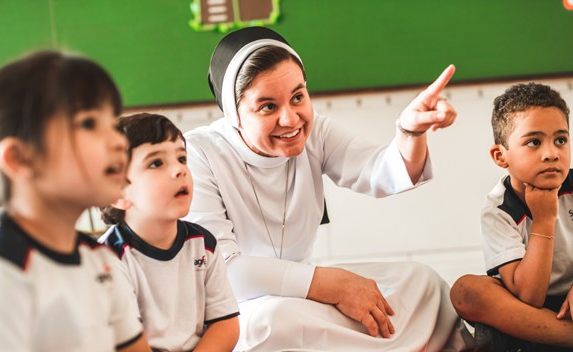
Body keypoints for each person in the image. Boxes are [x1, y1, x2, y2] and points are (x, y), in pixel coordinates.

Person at [184, 26, 472, 351]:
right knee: (269, 323)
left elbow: (379, 172)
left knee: (422, 283)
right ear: (235, 114)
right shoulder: (197, 154)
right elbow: (225, 271)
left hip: (302, 294)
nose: (291, 119)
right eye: (267, 107)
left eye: (298, 97)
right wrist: (331, 284)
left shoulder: (316, 131)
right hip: (240, 309)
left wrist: (409, 131)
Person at [0, 51, 149, 351]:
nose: (120, 141)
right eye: (88, 123)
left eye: (112, 124)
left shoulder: (98, 259)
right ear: (19, 159)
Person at [99, 113, 240, 351]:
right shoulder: (107, 259)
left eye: (182, 158)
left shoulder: (203, 244)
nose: (179, 170)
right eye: (156, 163)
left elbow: (225, 324)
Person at [450, 83, 573, 351]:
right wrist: (543, 220)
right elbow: (529, 297)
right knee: (465, 291)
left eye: (561, 140)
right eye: (534, 142)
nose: (551, 153)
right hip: (532, 312)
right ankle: (564, 336)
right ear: (500, 156)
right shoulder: (499, 210)